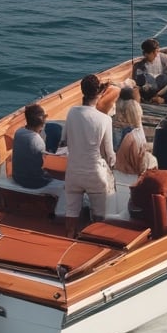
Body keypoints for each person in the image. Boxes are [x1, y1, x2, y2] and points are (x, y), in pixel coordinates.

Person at [60, 75, 116, 237]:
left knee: (71, 212)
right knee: (99, 215)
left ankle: (69, 239)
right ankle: (94, 243)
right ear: (99, 94)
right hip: (94, 174)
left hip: (73, 173)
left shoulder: (71, 113)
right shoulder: (105, 119)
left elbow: (64, 141)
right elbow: (109, 154)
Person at [11, 104, 56, 189]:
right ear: (42, 123)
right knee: (60, 180)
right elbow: (45, 163)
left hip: (17, 177)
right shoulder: (37, 140)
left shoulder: (18, 132)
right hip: (34, 182)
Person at [133, 38, 167, 103]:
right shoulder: (139, 66)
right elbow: (138, 84)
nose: (156, 55)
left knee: (165, 78)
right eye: (153, 53)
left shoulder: (164, 59)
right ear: (145, 54)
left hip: (164, 92)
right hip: (148, 93)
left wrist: (160, 96)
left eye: (157, 52)